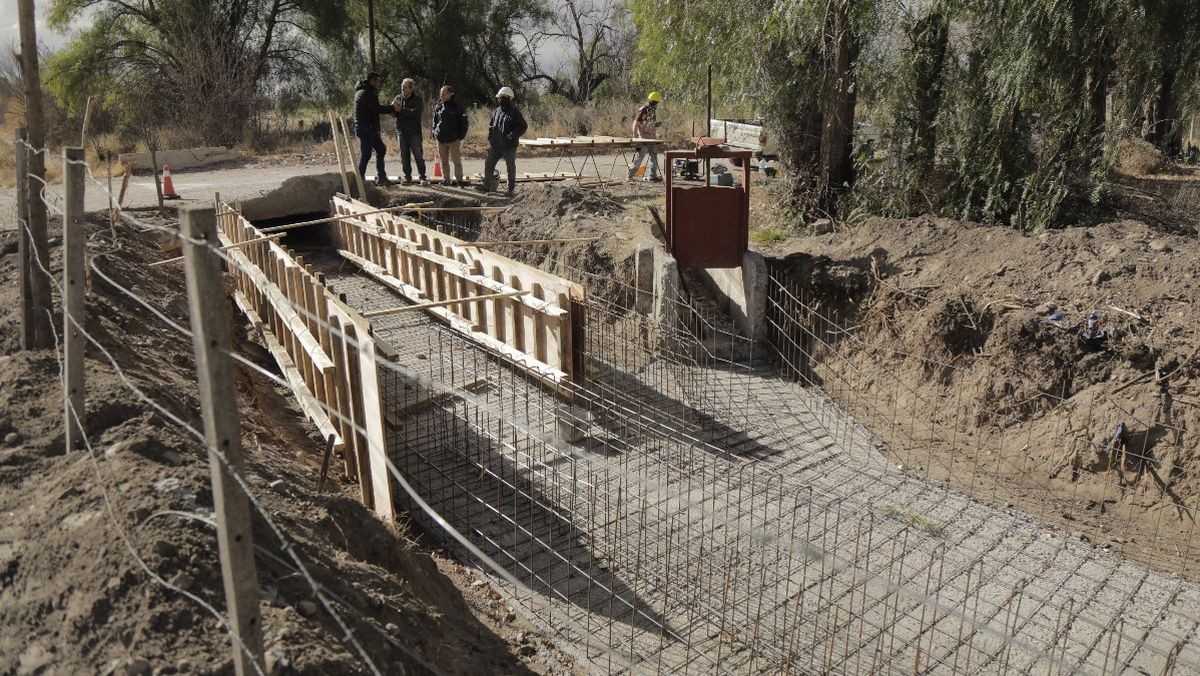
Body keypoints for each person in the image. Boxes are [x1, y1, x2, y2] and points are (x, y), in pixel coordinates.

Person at [353, 72, 401, 185]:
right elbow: (377, 109)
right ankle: (359, 180)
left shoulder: (368, 92)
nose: (379, 83)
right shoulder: (364, 93)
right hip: (365, 128)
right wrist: (393, 108)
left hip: (369, 128)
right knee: (366, 153)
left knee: (380, 149)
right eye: (377, 81)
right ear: (372, 80)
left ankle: (382, 178)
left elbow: (374, 110)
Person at [481, 86, 527, 197]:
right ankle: (487, 187)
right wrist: (490, 140)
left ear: (507, 98)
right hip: (496, 145)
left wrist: (512, 135)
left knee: (510, 167)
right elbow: (492, 126)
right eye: (498, 98)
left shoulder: (514, 112)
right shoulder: (497, 111)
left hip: (509, 146)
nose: (499, 100)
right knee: (489, 164)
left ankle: (510, 190)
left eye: (501, 98)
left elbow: (523, 126)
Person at [391, 78, 427, 185]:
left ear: (411, 88)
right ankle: (407, 178)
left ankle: (423, 177)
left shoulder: (417, 100)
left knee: (418, 156)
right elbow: (393, 114)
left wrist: (401, 109)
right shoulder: (398, 98)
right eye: (402, 87)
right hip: (401, 132)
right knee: (404, 157)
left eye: (405, 87)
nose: (403, 89)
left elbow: (415, 114)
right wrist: (392, 109)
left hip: (414, 133)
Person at [432, 85, 469, 186]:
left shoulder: (458, 107)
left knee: (456, 161)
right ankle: (446, 179)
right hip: (441, 139)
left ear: (450, 94)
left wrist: (461, 136)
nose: (441, 95)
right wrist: (434, 132)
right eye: (440, 93)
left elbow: (464, 123)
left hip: (454, 139)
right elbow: (435, 121)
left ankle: (459, 181)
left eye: (443, 93)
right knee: (444, 161)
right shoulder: (438, 106)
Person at [628, 91, 663, 182]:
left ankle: (652, 176)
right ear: (652, 101)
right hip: (643, 138)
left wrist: (656, 124)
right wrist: (635, 136)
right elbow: (635, 122)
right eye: (656, 102)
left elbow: (649, 124)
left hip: (652, 138)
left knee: (654, 158)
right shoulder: (643, 109)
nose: (656, 104)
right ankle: (629, 176)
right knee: (639, 158)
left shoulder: (652, 111)